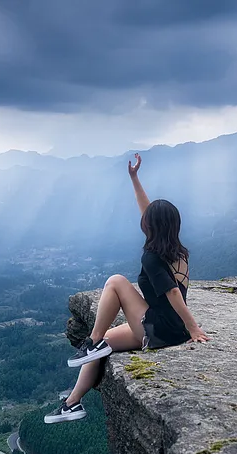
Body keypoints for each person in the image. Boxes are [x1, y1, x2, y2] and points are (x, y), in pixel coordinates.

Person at [45, 153, 209, 424]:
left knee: (116, 282)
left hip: (162, 329)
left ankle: (91, 343)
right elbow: (148, 212)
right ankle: (72, 404)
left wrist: (193, 328)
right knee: (108, 340)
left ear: (151, 228)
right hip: (170, 327)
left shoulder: (152, 257)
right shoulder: (177, 251)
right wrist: (135, 179)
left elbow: (172, 293)